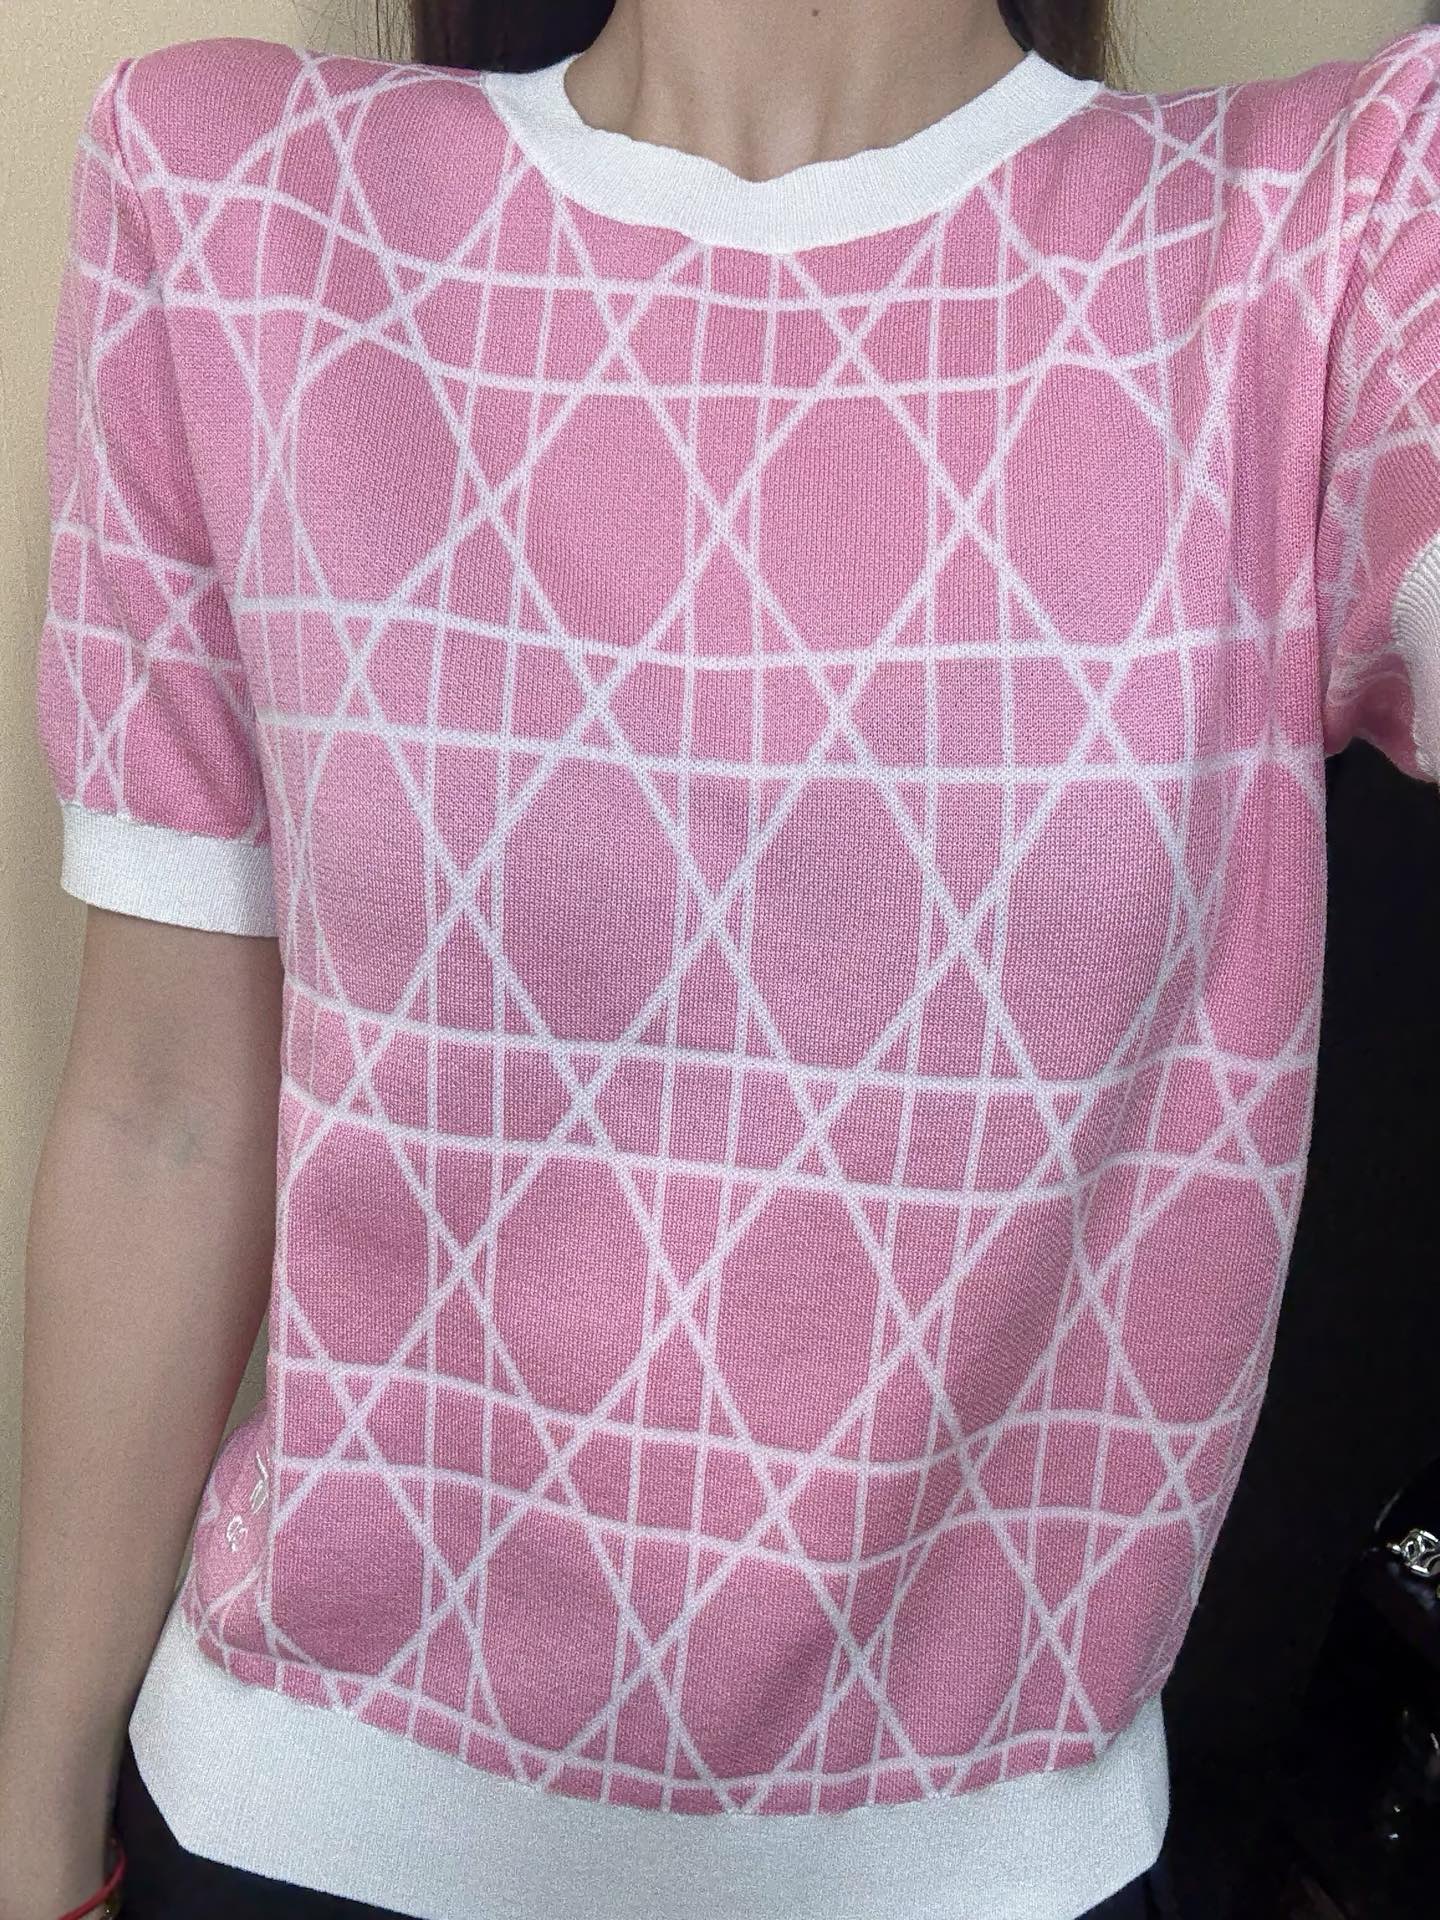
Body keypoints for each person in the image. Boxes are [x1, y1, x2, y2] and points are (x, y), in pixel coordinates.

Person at [2, 0, 1437, 1912]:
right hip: (294, 1823)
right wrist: (29, 1830)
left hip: (1001, 1862)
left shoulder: (1326, 236)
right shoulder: (237, 198)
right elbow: (165, 1109)